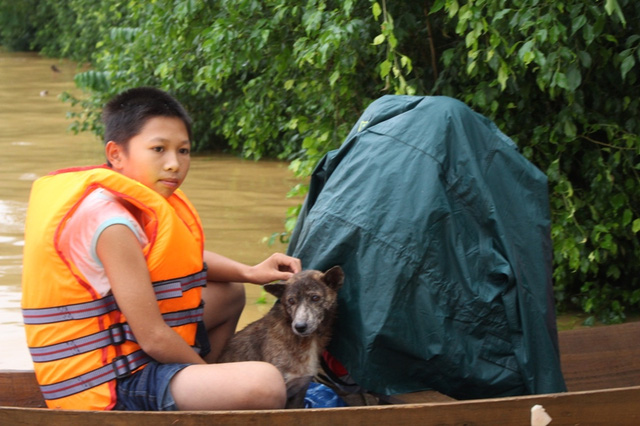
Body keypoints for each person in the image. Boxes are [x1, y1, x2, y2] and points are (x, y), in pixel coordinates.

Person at [21, 87, 301, 411]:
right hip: (107, 387)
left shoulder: (128, 202)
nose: (174, 164)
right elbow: (153, 337)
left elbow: (176, 263)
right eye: (158, 149)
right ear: (116, 154)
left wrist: (249, 271)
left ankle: (200, 394)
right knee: (264, 384)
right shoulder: (111, 224)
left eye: (183, 151)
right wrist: (212, 377)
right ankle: (206, 396)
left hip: (124, 352)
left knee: (229, 292)